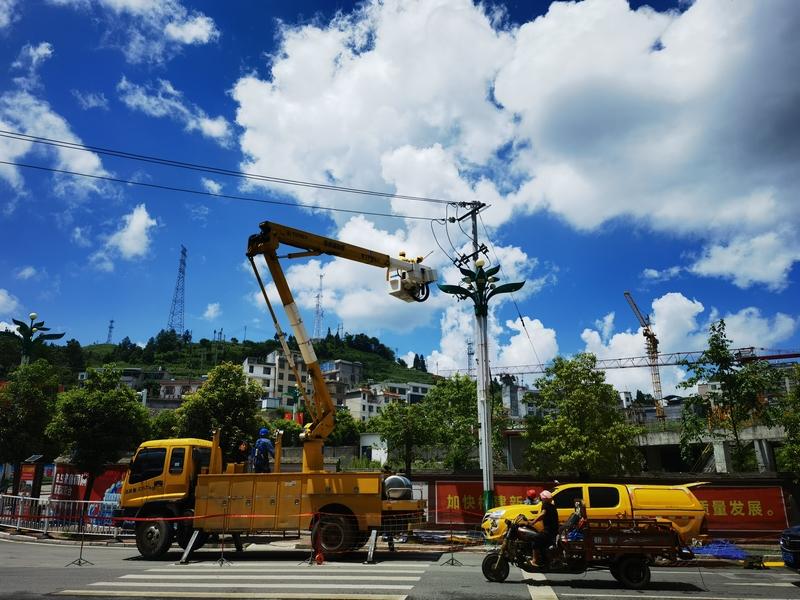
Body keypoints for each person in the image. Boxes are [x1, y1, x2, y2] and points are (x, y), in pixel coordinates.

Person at [524, 490, 558, 567]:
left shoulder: (545, 504)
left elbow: (542, 514)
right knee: (538, 538)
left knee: (534, 539)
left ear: (544, 498)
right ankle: (542, 558)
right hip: (551, 531)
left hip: (548, 532)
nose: (541, 499)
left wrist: (533, 522)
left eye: (541, 498)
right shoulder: (552, 506)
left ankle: (535, 560)